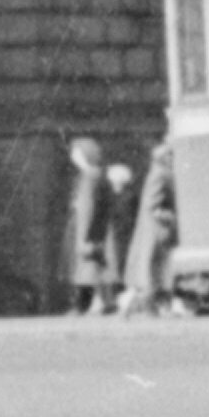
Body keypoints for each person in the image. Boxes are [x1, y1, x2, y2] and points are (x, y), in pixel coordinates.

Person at [119, 134, 180, 317]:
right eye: (170, 155)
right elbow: (153, 205)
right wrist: (172, 218)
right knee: (155, 272)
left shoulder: (160, 173)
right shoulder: (161, 174)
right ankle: (140, 307)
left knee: (154, 273)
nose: (173, 158)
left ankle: (144, 307)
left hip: (156, 231)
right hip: (157, 232)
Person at [61, 135, 115, 315]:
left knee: (87, 268)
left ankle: (84, 305)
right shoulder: (93, 175)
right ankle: (100, 302)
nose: (73, 156)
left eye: (76, 153)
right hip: (87, 230)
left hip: (86, 230)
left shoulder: (90, 176)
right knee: (91, 269)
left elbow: (88, 207)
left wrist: (84, 236)